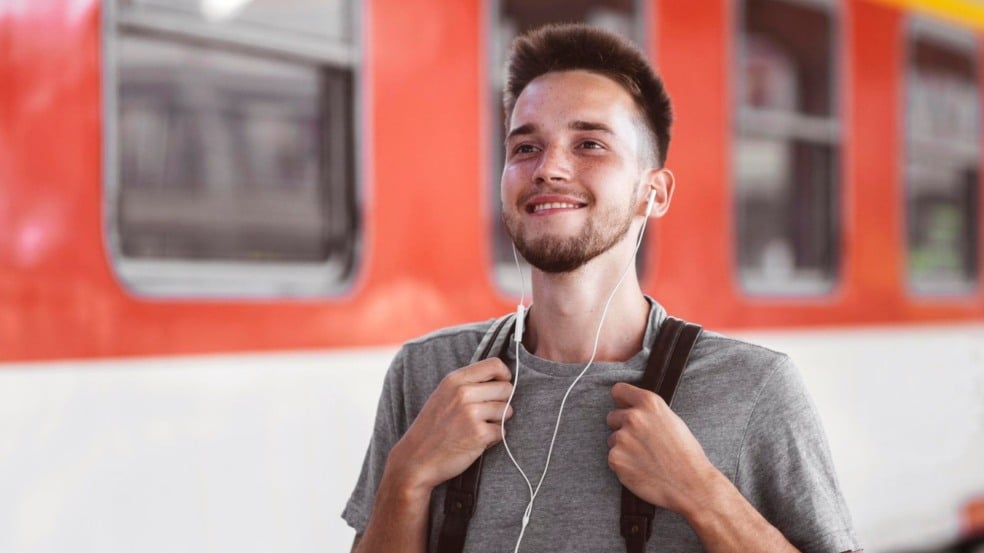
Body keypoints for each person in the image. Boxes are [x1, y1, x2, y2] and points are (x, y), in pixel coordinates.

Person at [343, 23, 861, 553]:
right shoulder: (428, 373)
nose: (549, 169)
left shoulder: (752, 388)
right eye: (525, 147)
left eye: (589, 143)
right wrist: (405, 478)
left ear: (653, 193)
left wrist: (705, 496)